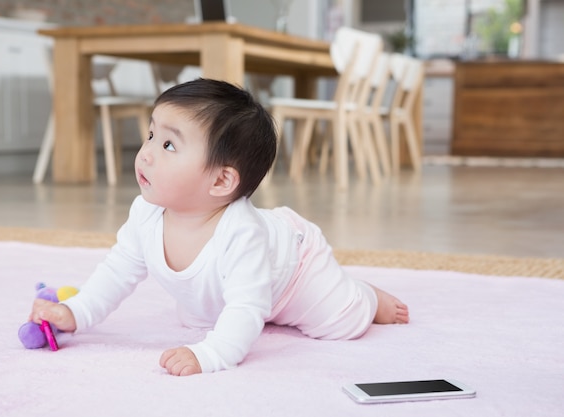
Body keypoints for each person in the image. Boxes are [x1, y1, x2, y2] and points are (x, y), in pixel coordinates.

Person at [29, 78, 409, 376]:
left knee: (339, 322)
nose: (145, 153)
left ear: (221, 182)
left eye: (169, 146)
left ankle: (366, 295)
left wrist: (210, 354)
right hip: (231, 286)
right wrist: (76, 311)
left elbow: (246, 307)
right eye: (150, 135)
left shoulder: (241, 232)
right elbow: (117, 272)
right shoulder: (145, 214)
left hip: (295, 268)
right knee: (198, 315)